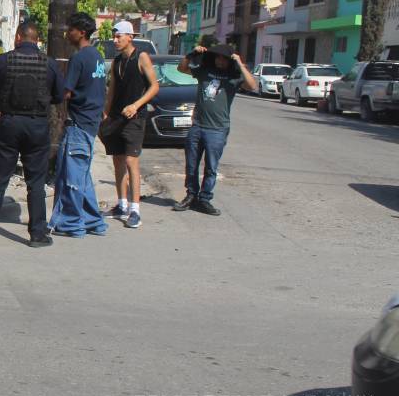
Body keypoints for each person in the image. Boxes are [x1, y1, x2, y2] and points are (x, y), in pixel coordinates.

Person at [0, 22, 63, 248]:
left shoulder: (2, 60)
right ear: (37, 40)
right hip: (37, 126)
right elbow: (58, 96)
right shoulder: (50, 63)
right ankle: (37, 234)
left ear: (17, 37)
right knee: (36, 182)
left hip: (9, 123)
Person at [173, 43, 257, 215]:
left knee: (211, 167)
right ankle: (191, 195)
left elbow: (252, 85)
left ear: (229, 60)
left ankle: (204, 200)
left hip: (217, 129)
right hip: (197, 125)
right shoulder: (204, 71)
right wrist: (191, 53)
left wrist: (240, 64)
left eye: (224, 58)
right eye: (217, 57)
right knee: (191, 165)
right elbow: (182, 69)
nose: (220, 61)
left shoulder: (233, 77)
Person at [48, 13, 108, 237]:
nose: (67, 33)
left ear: (81, 32)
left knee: (70, 176)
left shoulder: (79, 58)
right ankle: (94, 221)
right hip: (90, 123)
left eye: (71, 29)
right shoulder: (98, 57)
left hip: (78, 124)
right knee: (82, 174)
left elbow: (66, 92)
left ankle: (71, 223)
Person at [100, 20, 159, 229]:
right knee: (118, 160)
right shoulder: (116, 62)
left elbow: (154, 87)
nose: (115, 40)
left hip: (135, 117)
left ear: (130, 37)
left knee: (132, 162)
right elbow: (112, 90)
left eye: (119, 37)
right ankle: (122, 203)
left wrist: (136, 105)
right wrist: (106, 114)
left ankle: (135, 209)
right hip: (117, 116)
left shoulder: (141, 57)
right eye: (114, 37)